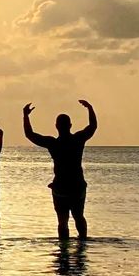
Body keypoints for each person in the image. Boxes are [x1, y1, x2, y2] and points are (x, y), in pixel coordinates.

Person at [24, 98, 97, 241]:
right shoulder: (77, 140)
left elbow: (30, 135)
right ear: (70, 125)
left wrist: (25, 116)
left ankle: (64, 251)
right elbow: (93, 126)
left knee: (62, 221)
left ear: (56, 126)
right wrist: (90, 108)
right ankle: (82, 244)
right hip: (76, 186)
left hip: (61, 187)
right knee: (79, 216)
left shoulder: (53, 143)